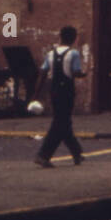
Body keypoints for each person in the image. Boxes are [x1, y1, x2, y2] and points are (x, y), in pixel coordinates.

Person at [33, 26, 85, 167]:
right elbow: (75, 73)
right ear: (74, 39)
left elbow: (43, 73)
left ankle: (77, 153)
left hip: (54, 91)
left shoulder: (50, 54)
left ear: (60, 36)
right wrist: (84, 74)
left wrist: (35, 94)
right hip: (67, 91)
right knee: (60, 123)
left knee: (63, 121)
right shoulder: (73, 54)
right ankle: (43, 155)